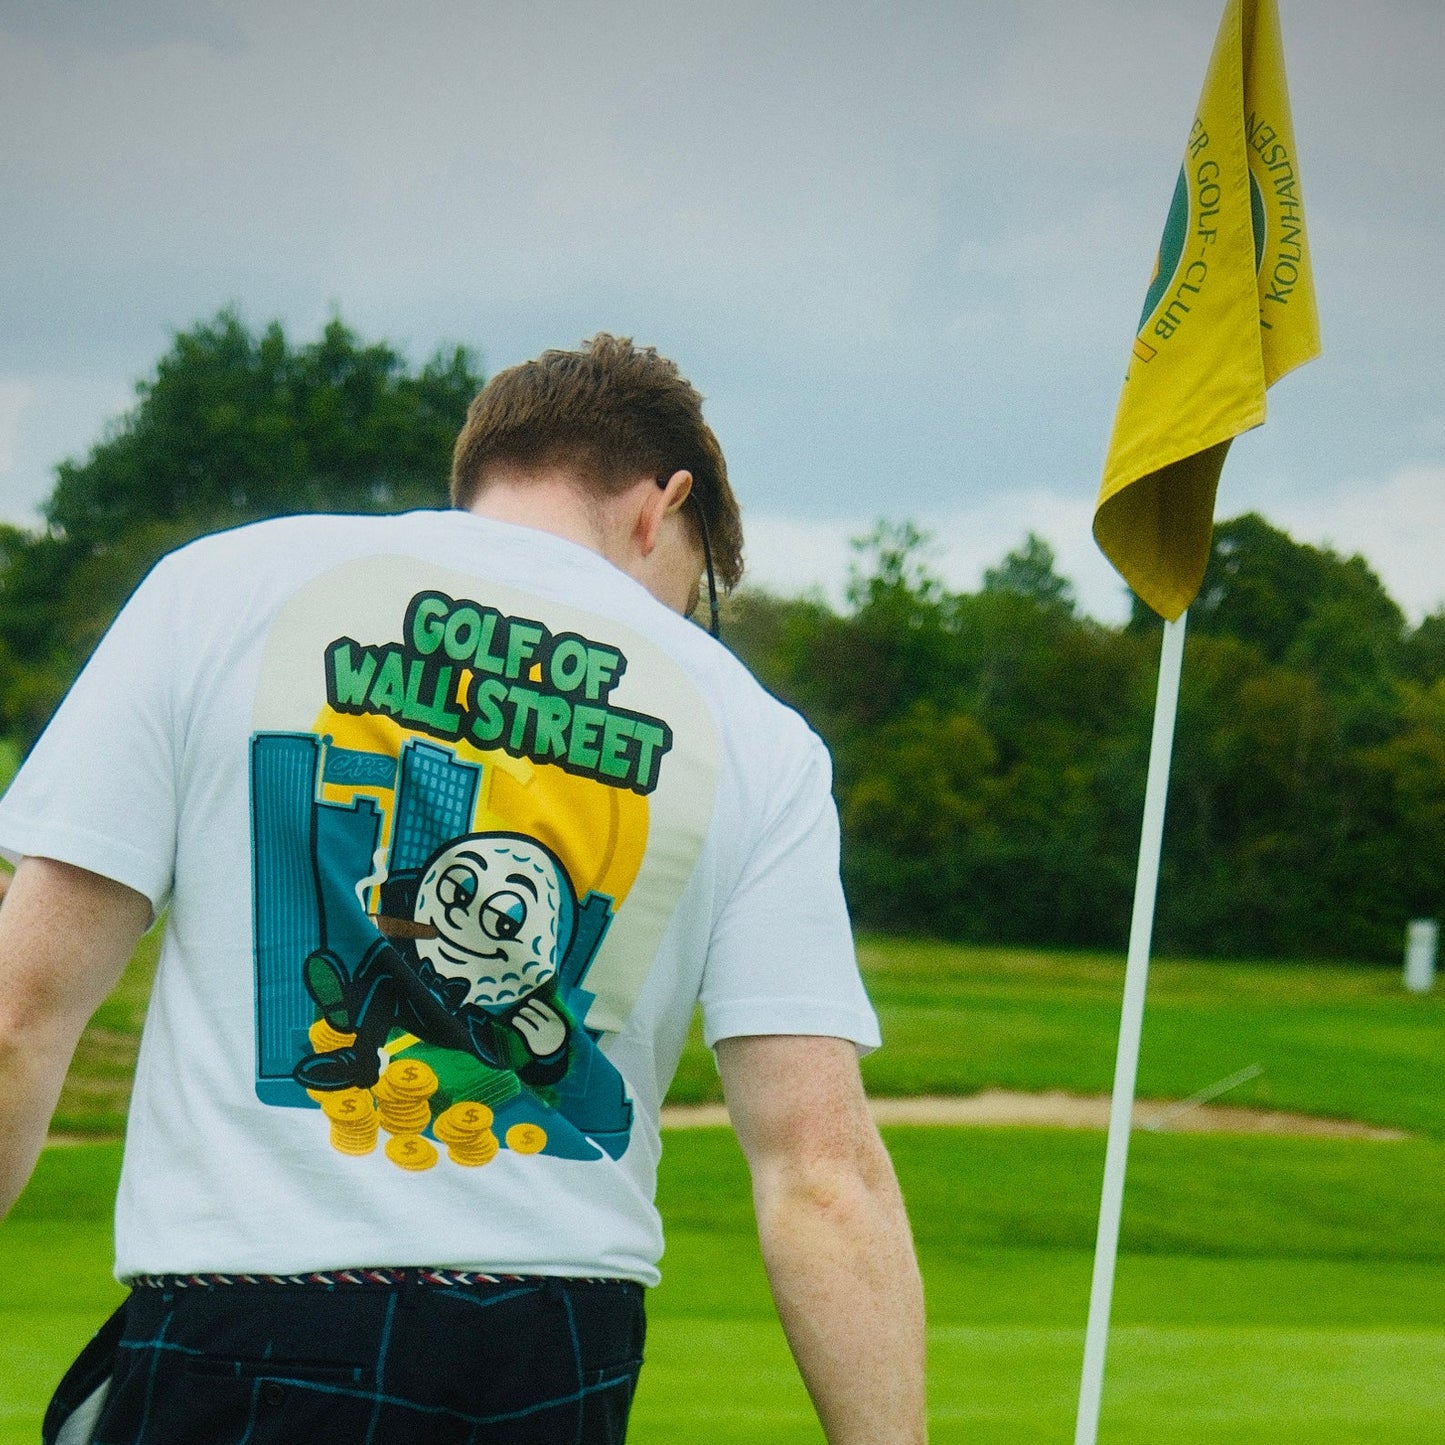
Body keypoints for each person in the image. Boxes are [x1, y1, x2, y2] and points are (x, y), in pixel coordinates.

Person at [0, 334, 926, 1444]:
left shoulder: (218, 588)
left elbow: (19, 1019)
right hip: (554, 1347)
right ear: (659, 504)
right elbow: (821, 1174)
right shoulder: (755, 735)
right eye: (694, 589)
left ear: (485, 473)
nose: (682, 622)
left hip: (249, 1313)